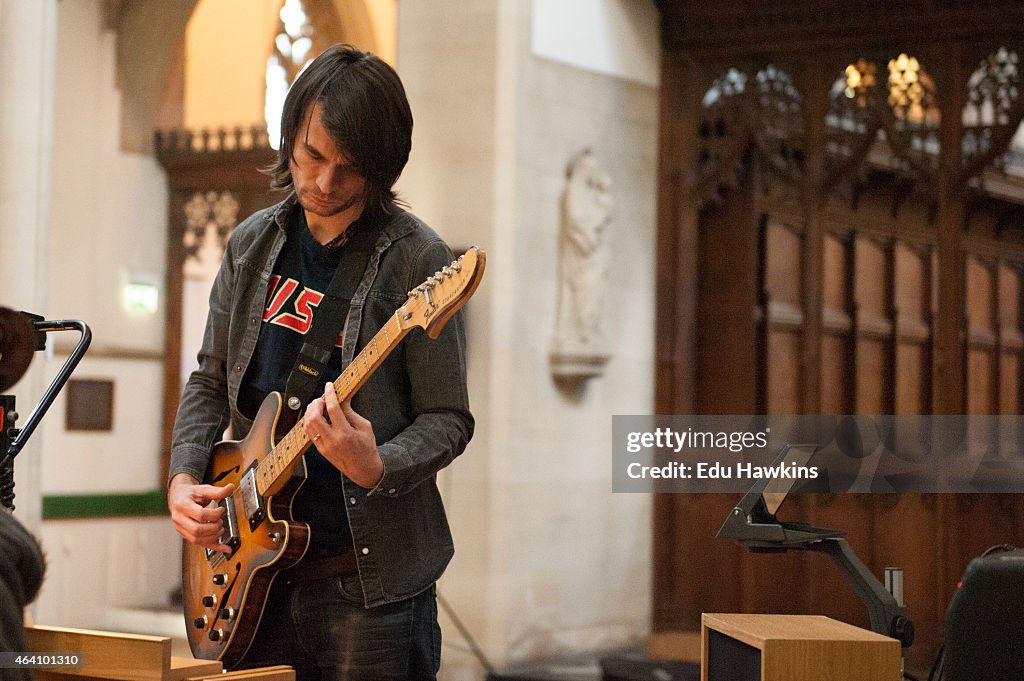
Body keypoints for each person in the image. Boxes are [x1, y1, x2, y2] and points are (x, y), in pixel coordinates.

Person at [167, 44, 473, 681]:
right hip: (254, 577)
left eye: (349, 167)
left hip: (370, 592)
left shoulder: (420, 262)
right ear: (290, 137)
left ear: (382, 168)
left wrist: (378, 463)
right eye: (311, 156)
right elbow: (208, 378)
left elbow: (448, 417)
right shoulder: (252, 245)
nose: (324, 182)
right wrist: (182, 476)